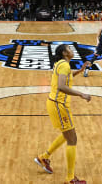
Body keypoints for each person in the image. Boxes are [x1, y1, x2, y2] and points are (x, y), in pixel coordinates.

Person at [34, 44, 91, 184]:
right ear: (65, 52)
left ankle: (44, 157)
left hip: (55, 103)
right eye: (70, 49)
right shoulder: (64, 65)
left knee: (68, 135)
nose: (72, 50)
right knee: (72, 139)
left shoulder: (61, 63)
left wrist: (81, 70)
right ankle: (70, 179)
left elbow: (67, 76)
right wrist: (81, 94)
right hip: (59, 105)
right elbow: (61, 86)